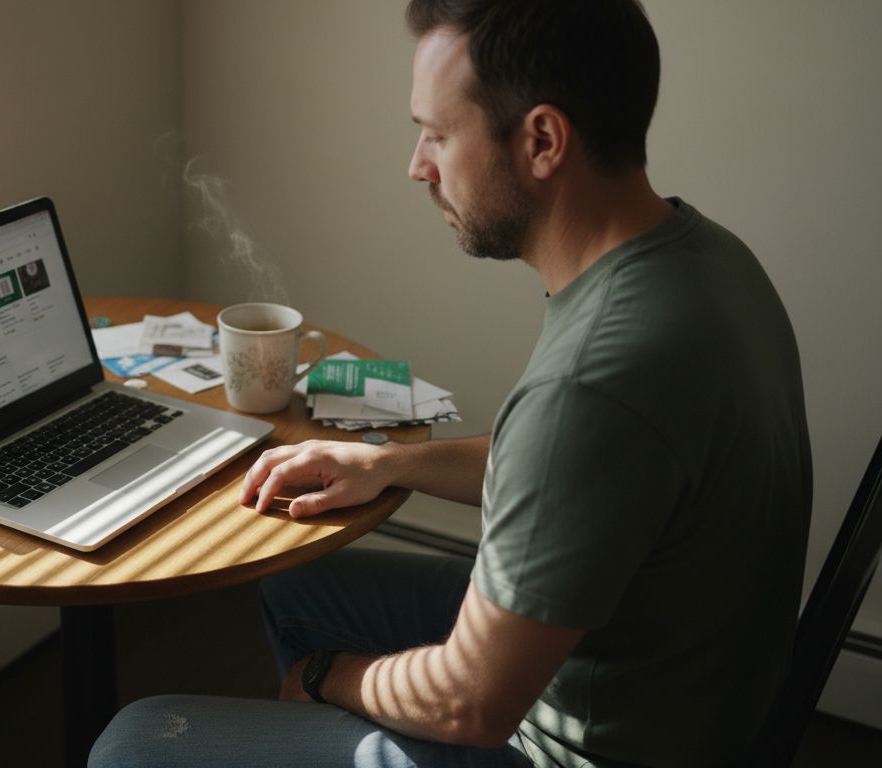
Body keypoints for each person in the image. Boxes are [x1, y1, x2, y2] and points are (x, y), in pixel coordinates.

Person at [90, 0, 811, 765]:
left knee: (133, 745)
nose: (418, 166)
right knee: (297, 592)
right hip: (681, 683)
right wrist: (391, 463)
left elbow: (470, 702)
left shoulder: (592, 383)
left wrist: (329, 677)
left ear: (542, 141)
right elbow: (577, 469)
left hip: (574, 747)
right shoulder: (706, 262)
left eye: (436, 134)